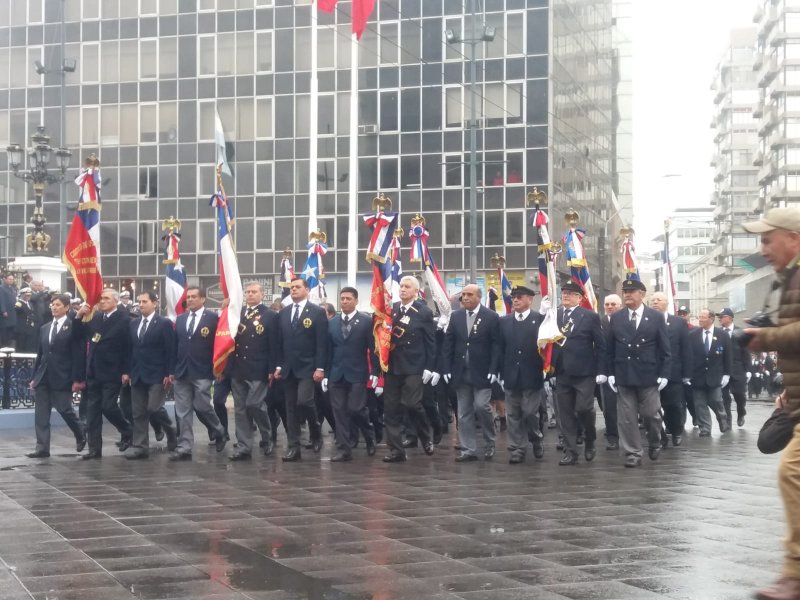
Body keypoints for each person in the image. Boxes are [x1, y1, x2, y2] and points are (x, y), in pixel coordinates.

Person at [738, 208, 800, 600]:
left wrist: (767, 338)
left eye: (767, 239)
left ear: (792, 238)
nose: (762, 249)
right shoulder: (787, 278)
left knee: (791, 471)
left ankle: (794, 573)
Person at [606, 278, 671, 468]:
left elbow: (665, 349)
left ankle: (655, 440)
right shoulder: (617, 318)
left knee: (651, 414)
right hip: (624, 374)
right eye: (625, 291)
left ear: (642, 295)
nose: (627, 294)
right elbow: (609, 349)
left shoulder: (656, 317)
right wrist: (610, 373)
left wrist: (665, 374)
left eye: (631, 291)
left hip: (649, 375)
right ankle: (633, 453)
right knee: (626, 418)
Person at [443, 284, 501, 462]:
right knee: (463, 412)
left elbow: (496, 345)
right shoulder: (456, 316)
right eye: (463, 295)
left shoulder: (491, 316)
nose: (465, 298)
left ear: (479, 297)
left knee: (481, 406)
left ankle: (490, 441)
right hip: (461, 371)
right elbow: (449, 344)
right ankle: (468, 449)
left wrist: (494, 369)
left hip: (482, 371)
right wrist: (446, 368)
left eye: (469, 294)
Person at [382, 276, 437, 463]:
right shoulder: (392, 309)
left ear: (416, 291)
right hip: (392, 365)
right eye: (402, 286)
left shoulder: (423, 312)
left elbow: (431, 342)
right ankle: (396, 450)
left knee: (411, 404)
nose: (403, 289)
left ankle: (424, 435)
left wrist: (430, 367)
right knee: (391, 409)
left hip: (414, 365)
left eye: (407, 287)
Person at [273, 277, 328, 462]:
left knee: (304, 401)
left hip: (308, 367)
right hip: (288, 368)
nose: (293, 290)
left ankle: (315, 430)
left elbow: (322, 343)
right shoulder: (284, 313)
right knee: (290, 409)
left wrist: (320, 367)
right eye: (291, 287)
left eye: (297, 287)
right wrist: (279, 365)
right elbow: (279, 343)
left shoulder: (317, 312)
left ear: (306, 289)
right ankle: (293, 447)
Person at [73, 289, 133, 459]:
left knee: (108, 406)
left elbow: (128, 347)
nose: (102, 301)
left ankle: (127, 429)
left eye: (106, 298)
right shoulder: (96, 317)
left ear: (115, 301)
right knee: (92, 413)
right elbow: (79, 335)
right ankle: (94, 449)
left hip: (113, 370)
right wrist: (78, 317)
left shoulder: (124, 318)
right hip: (94, 370)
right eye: (100, 299)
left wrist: (126, 370)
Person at [171, 287, 228, 460]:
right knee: (182, 411)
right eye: (188, 297)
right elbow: (175, 347)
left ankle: (219, 430)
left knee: (202, 406)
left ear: (203, 299)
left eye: (194, 297)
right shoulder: (180, 320)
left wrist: (219, 368)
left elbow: (219, 344)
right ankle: (185, 446)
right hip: (182, 371)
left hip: (203, 370)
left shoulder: (213, 318)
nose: (190, 300)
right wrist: (172, 370)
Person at [26, 294, 86, 458]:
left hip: (62, 375)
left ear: (66, 307)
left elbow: (77, 353)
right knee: (41, 414)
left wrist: (76, 378)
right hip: (43, 376)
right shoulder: (45, 328)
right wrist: (34, 377)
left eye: (58, 304)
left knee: (64, 409)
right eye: (52, 304)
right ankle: (42, 448)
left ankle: (80, 431)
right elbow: (41, 354)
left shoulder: (72, 326)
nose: (54, 307)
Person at [553, 281, 606, 465]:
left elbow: (600, 345)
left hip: (584, 372)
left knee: (584, 408)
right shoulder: (555, 315)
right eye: (563, 293)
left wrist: (601, 370)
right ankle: (571, 452)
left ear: (579, 298)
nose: (565, 296)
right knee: (565, 414)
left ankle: (589, 439)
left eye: (570, 293)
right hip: (562, 372)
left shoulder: (589, 316)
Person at [121, 291, 178, 459]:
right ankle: (140, 446)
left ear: (155, 303)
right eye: (139, 301)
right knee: (138, 412)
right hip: (137, 373)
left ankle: (170, 430)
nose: (141, 304)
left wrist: (170, 372)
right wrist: (126, 371)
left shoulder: (163, 323)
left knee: (153, 407)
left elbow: (170, 349)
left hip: (158, 373)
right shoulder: (133, 324)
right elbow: (129, 350)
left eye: (144, 301)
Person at [324, 286, 378, 461]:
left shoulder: (365, 322)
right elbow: (328, 349)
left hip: (357, 372)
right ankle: (344, 449)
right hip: (336, 373)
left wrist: (375, 372)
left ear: (356, 300)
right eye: (342, 298)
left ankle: (369, 434)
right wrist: (325, 373)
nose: (345, 301)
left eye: (348, 298)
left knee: (356, 409)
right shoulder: (332, 323)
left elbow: (373, 348)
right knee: (339, 412)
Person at [229, 282, 278, 461]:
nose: (250, 295)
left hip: (259, 367)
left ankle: (267, 435)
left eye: (254, 292)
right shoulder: (237, 313)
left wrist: (272, 368)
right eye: (247, 292)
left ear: (261, 294)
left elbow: (274, 344)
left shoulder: (270, 315)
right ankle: (244, 446)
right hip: (239, 368)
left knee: (254, 404)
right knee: (241, 409)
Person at [497, 286, 545, 464]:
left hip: (531, 374)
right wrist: (499, 372)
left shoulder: (539, 320)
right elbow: (500, 349)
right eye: (513, 297)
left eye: (519, 297)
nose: (515, 300)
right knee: (513, 414)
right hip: (510, 374)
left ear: (530, 300)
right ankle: (517, 448)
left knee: (530, 413)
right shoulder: (504, 322)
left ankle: (535, 437)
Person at [650, 292, 692, 447]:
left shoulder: (678, 323)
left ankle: (676, 431)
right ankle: (660, 435)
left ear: (666, 303)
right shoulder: (647, 321)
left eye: (658, 300)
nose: (655, 302)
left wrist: (687, 374)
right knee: (652, 408)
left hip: (673, 372)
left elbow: (685, 349)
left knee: (673, 405)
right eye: (652, 300)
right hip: (652, 371)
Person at [687, 309, 731, 437]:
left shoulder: (722, 335)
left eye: (703, 317)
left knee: (716, 400)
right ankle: (705, 428)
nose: (700, 319)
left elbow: (728, 356)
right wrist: (688, 374)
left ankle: (722, 418)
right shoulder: (693, 335)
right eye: (699, 317)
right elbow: (689, 356)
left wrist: (727, 374)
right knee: (699, 404)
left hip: (715, 375)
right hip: (697, 375)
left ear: (711, 319)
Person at [716, 307, 752, 427]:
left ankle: (741, 412)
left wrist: (748, 370)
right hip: (723, 370)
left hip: (738, 369)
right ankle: (727, 421)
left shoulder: (740, 332)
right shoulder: (718, 332)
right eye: (719, 317)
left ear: (729, 318)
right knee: (724, 397)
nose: (719, 319)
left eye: (722, 316)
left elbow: (746, 352)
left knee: (739, 394)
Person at [599, 294, 622, 449]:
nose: (610, 307)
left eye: (613, 304)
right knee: (609, 406)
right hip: (606, 371)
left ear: (620, 306)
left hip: (625, 369)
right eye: (607, 304)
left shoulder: (627, 321)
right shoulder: (598, 323)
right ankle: (613, 436)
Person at [14, 288, 37, 353]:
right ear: (23, 295)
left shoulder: (29, 303)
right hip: (22, 327)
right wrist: (19, 300)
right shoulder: (19, 303)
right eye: (27, 295)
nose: (28, 297)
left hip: (29, 327)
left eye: (29, 295)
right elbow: (17, 309)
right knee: (21, 345)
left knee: (28, 344)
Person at [0, 274, 18, 347]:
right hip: (5, 313)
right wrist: (3, 310)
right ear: (5, 279)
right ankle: (3, 346)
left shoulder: (13, 289)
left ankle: (9, 345)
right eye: (9, 279)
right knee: (4, 330)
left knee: (11, 330)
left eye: (12, 279)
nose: (11, 280)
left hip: (12, 312)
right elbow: (1, 300)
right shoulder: (1, 288)